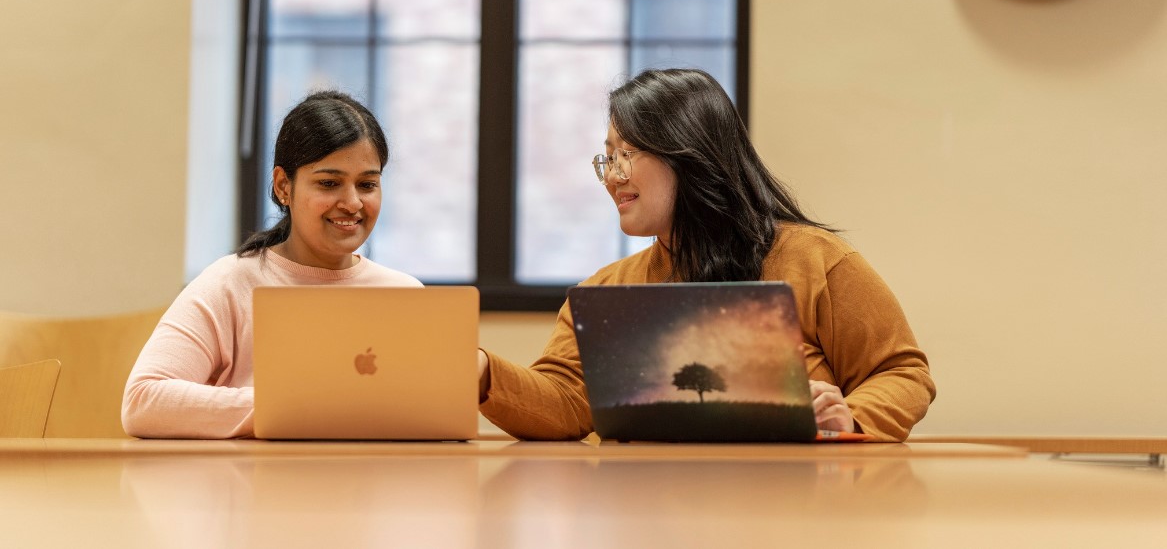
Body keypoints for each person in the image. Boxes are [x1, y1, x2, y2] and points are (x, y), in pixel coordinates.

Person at [478, 68, 935, 442]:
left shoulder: (815, 259)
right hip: (643, 512)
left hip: (795, 506)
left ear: (689, 154)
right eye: (607, 158)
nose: (611, 177)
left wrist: (850, 416)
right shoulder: (605, 288)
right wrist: (480, 372)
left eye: (627, 153)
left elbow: (902, 372)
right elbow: (565, 401)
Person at [122, 90, 421, 439]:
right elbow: (143, 401)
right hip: (253, 487)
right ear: (283, 186)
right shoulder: (230, 283)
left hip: (377, 486)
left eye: (367, 184)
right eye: (329, 183)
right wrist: (294, 408)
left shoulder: (406, 295)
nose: (353, 202)